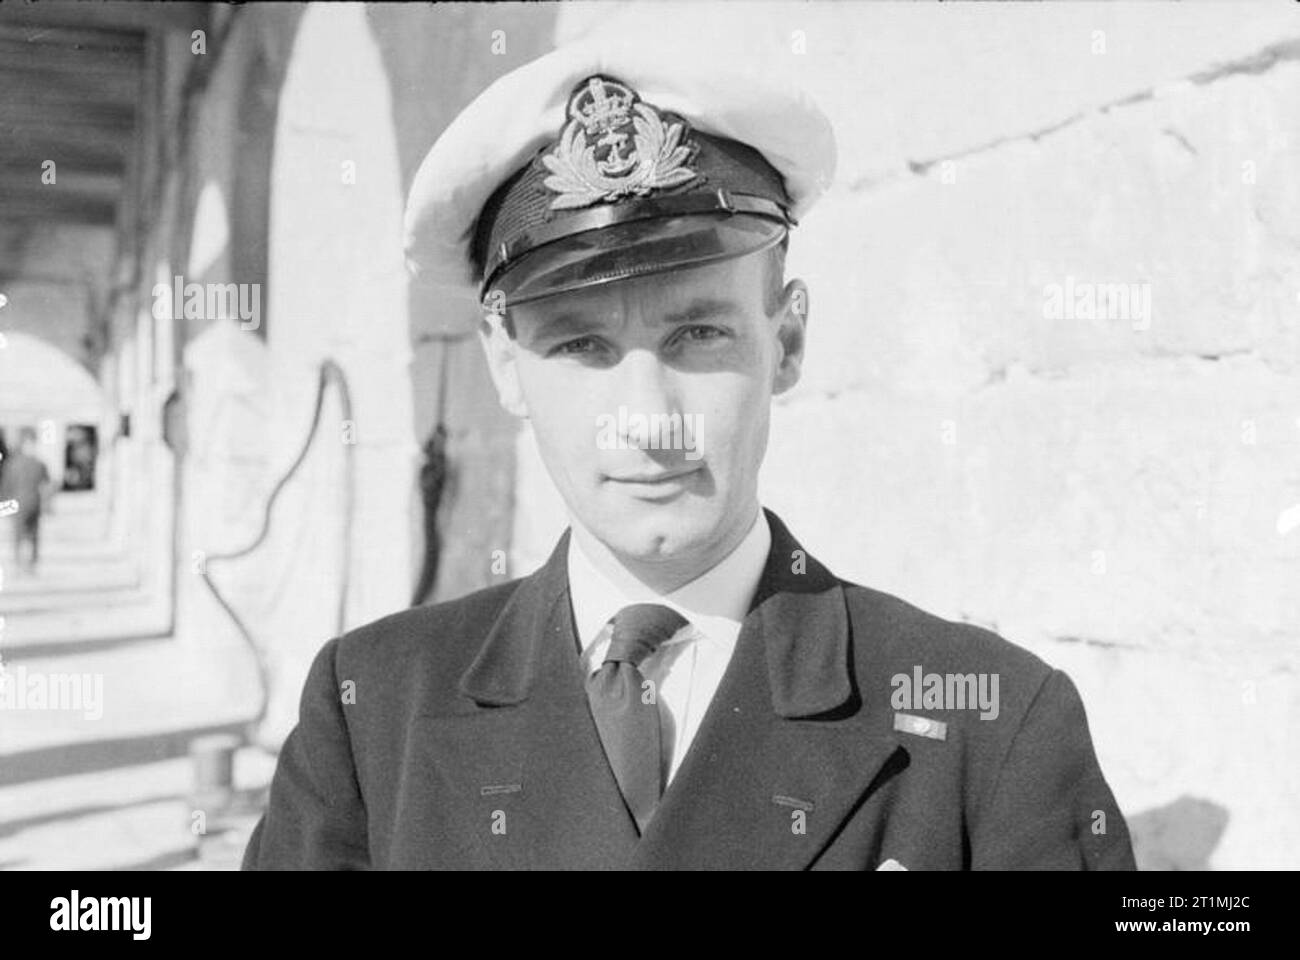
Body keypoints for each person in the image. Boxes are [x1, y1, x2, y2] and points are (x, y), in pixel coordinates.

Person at [243, 42, 1135, 870]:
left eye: (698, 333)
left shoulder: (990, 727)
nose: (648, 419)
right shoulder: (371, 714)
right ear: (505, 368)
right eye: (581, 348)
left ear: (786, 342)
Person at [1, 427, 52, 575]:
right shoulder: (39, 463)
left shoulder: (12, 464)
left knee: (19, 535)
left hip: (18, 504)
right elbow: (48, 484)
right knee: (33, 535)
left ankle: (20, 564)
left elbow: (5, 486)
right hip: (33, 503)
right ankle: (30, 565)